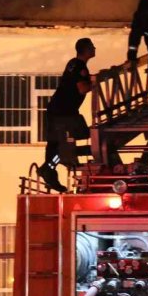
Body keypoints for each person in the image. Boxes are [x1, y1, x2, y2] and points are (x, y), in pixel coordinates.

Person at [37, 37, 97, 193]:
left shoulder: (73, 64)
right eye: (92, 47)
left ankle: (49, 171)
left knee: (55, 144)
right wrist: (95, 83)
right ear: (86, 49)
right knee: (73, 139)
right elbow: (82, 88)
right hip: (65, 114)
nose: (95, 49)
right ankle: (48, 168)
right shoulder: (80, 66)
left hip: (57, 111)